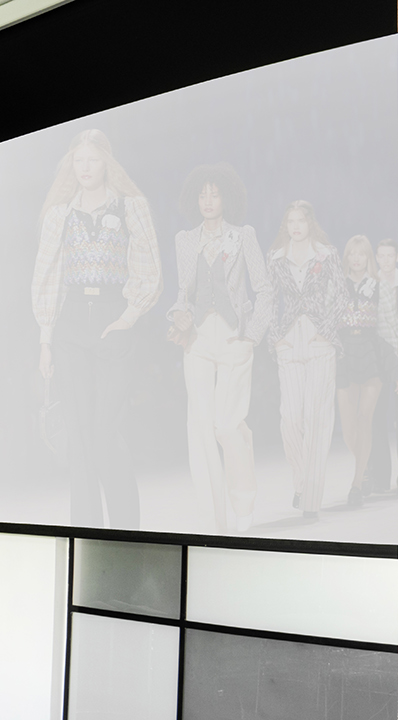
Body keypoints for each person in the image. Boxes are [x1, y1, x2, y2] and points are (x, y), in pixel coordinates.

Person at [31, 129, 162, 529]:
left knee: (105, 430)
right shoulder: (60, 214)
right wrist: (46, 340)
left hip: (112, 319)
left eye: (92, 160)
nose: (85, 168)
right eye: (78, 161)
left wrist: (128, 316)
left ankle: (127, 528)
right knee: (79, 433)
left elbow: (147, 264)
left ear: (107, 162)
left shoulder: (130, 207)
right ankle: (85, 529)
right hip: (71, 324)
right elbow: (48, 273)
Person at [166, 164, 271, 533]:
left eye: (215, 194)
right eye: (202, 195)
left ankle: (243, 503)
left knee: (227, 426)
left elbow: (264, 289)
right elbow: (185, 293)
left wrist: (252, 335)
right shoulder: (185, 240)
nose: (208, 201)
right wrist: (178, 315)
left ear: (227, 197)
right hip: (198, 339)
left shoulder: (243, 236)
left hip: (234, 336)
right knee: (199, 429)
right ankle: (212, 520)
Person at [265, 201, 347, 522]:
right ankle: (302, 481)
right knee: (290, 418)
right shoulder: (276, 258)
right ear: (285, 225)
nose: (295, 226)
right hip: (289, 339)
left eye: (300, 220)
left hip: (319, 339)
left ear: (310, 223)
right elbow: (269, 298)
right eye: (290, 221)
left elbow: (340, 295)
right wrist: (276, 336)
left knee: (318, 418)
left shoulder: (326, 254)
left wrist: (326, 332)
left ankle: (310, 499)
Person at [334, 236, 385, 509]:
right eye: (351, 254)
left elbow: (387, 324)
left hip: (369, 353)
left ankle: (356, 484)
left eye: (361, 254)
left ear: (368, 258)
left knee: (365, 419)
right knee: (348, 428)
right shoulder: (338, 285)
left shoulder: (378, 286)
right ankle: (364, 467)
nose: (356, 259)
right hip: (345, 354)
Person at [376, 238, 398, 493]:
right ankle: (380, 476)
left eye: (389, 255)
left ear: (397, 257)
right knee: (378, 418)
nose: (385, 260)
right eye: (381, 256)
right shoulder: (373, 285)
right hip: (379, 358)